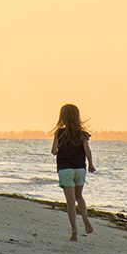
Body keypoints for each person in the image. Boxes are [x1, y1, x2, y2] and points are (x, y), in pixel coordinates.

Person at [51, 103, 95, 240]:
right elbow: (87, 150)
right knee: (79, 197)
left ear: (62, 117)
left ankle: (74, 230)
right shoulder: (83, 134)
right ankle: (86, 220)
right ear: (77, 117)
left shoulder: (59, 133)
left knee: (70, 202)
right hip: (80, 169)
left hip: (65, 169)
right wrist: (91, 164)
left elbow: (53, 151)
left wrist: (59, 149)